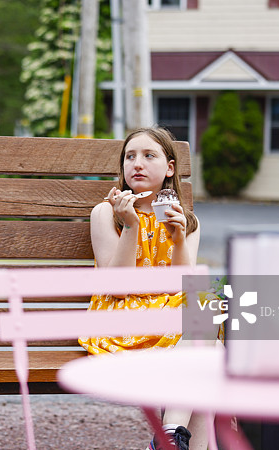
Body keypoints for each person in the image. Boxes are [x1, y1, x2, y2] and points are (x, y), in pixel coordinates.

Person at [78, 127, 213, 450]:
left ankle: (170, 434)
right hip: (120, 323)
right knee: (208, 357)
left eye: (148, 156)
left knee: (204, 322)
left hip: (171, 326)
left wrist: (178, 239)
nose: (137, 163)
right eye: (130, 156)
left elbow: (184, 287)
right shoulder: (106, 213)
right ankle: (170, 435)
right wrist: (131, 227)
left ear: (169, 169)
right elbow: (118, 289)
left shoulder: (187, 222)